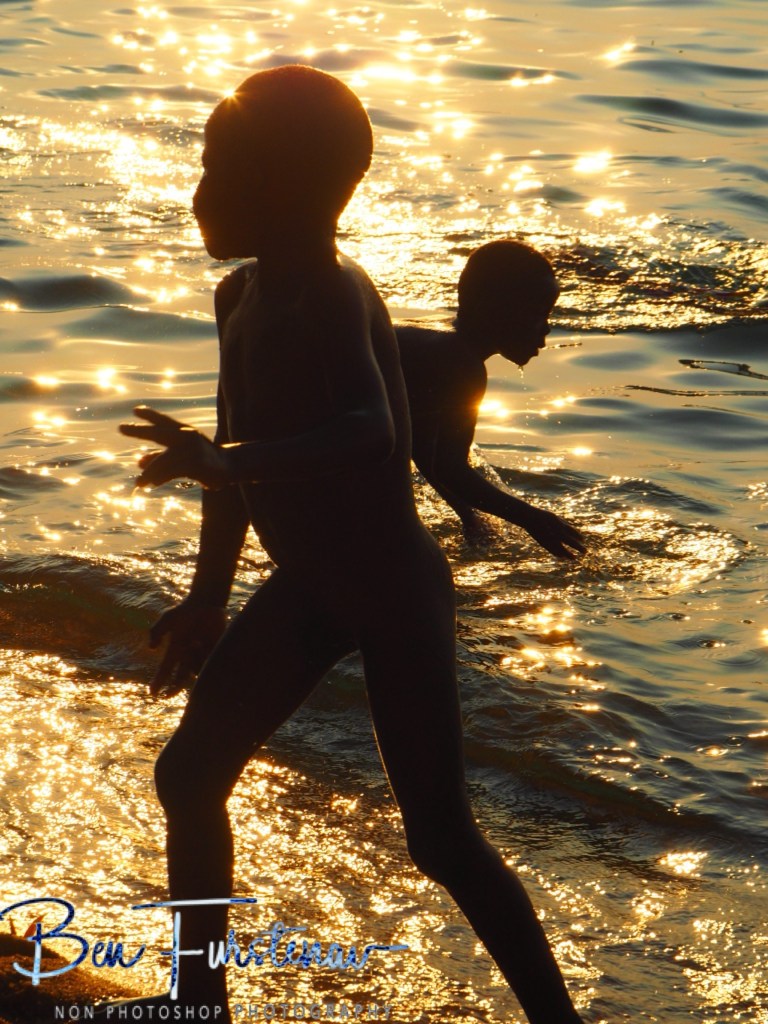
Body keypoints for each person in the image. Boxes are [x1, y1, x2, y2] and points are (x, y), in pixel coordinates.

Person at [117, 65, 584, 1024]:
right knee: (190, 772)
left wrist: (228, 461)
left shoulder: (331, 297)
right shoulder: (238, 298)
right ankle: (198, 999)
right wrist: (209, 596)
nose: (198, 193)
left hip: (391, 587)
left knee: (441, 838)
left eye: (219, 171)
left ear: (284, 188)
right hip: (309, 587)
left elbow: (373, 430)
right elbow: (232, 463)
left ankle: (559, 1021)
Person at [396, 240, 584, 558]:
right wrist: (532, 518)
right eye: (540, 313)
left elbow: (425, 451)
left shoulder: (441, 345)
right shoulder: (458, 361)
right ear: (499, 311)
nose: (548, 327)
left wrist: (470, 516)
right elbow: (450, 467)